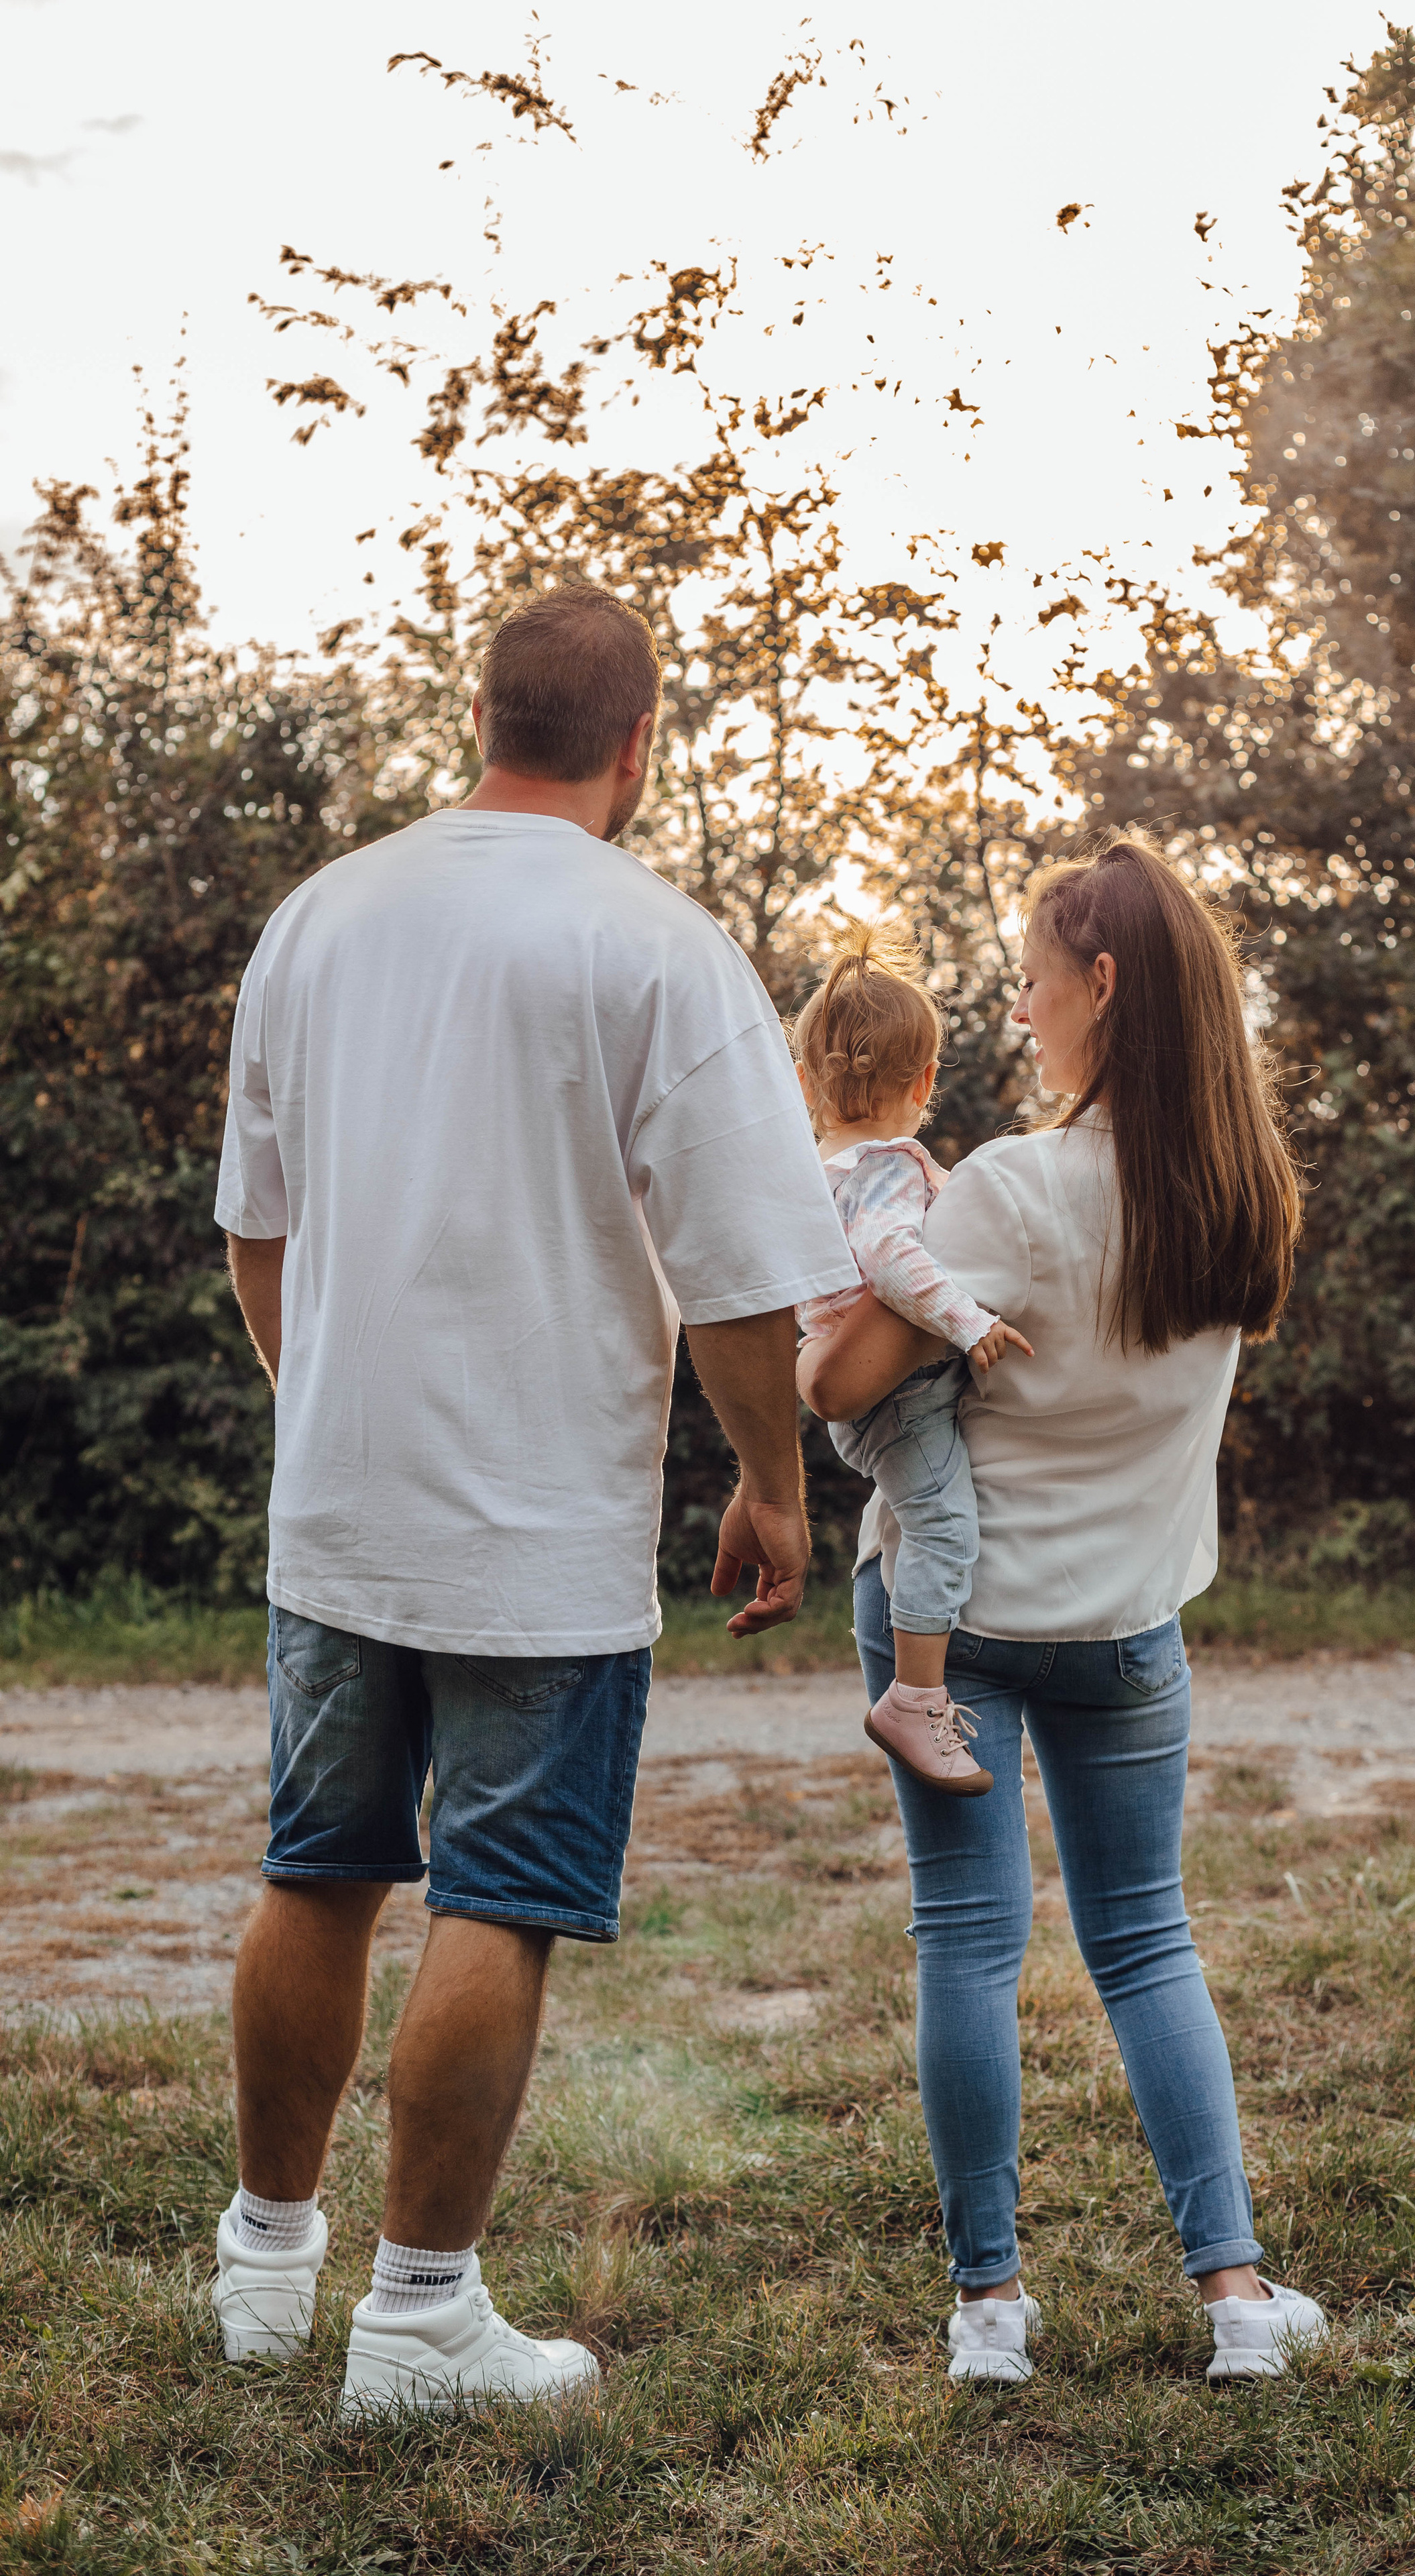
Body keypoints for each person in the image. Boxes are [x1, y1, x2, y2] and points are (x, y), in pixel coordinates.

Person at [211, 583, 856, 2418]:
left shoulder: (319, 919)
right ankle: (420, 2324)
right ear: (639, 745)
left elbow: (260, 1236)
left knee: (315, 1867)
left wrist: (326, 1406)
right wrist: (775, 1484)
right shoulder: (655, 947)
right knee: (497, 1893)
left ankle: (265, 2266)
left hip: (339, 1503)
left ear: (482, 711)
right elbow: (740, 1280)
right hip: (536, 1530)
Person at [799, 832, 1329, 2388]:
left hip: (946, 1619)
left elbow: (837, 1382)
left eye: (1032, 987)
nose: (1018, 1014)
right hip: (1123, 1625)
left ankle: (988, 2314)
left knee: (965, 1946)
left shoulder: (1018, 1190)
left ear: (1099, 986)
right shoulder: (1240, 1193)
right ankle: (1234, 2303)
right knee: (1147, 1944)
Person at [792, 927, 1032, 1795]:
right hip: (906, 1393)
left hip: (866, 1397)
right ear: (927, 1083)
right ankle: (917, 1697)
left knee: (932, 1517)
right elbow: (896, 1264)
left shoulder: (817, 1170)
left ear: (806, 1083)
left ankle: (918, 1688)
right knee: (944, 1527)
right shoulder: (887, 1169)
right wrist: (969, 1322)